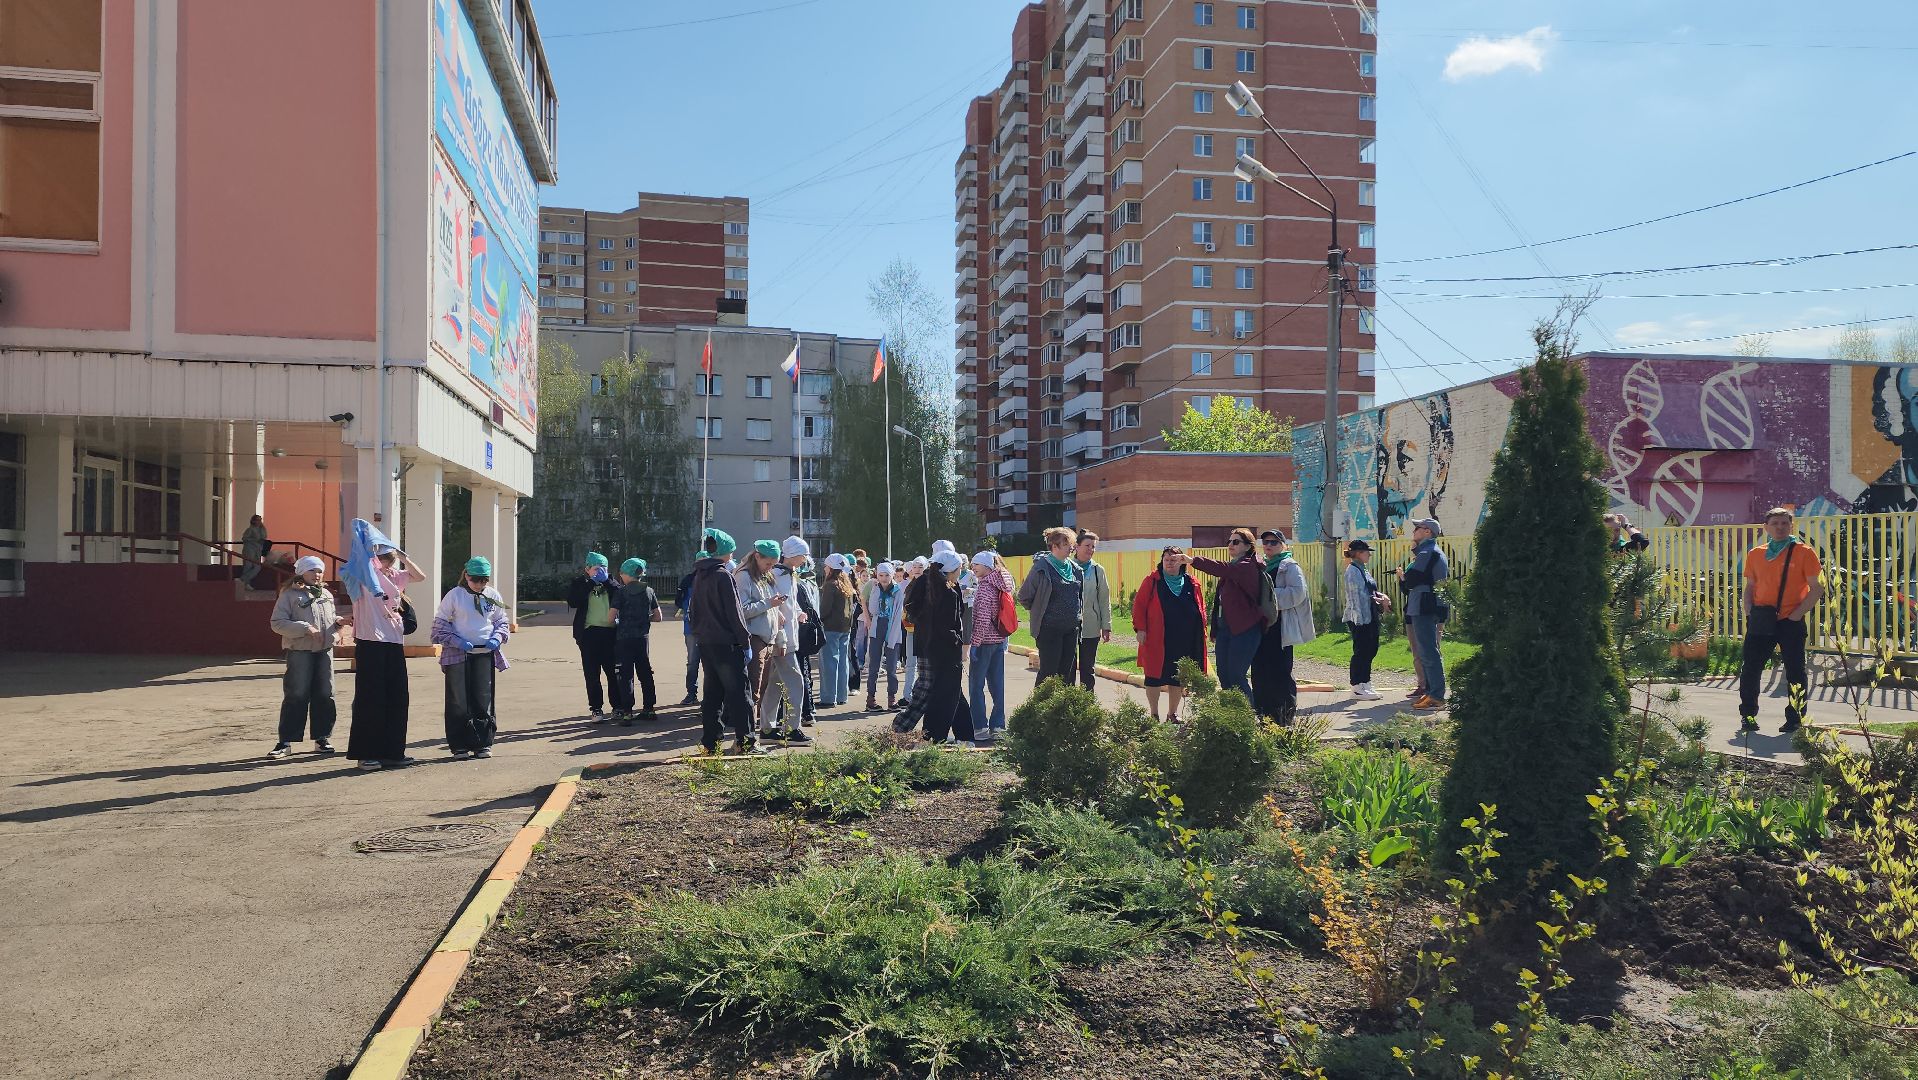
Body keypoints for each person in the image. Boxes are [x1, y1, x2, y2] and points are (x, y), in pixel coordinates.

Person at [342, 518, 426, 771]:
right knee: (371, 699)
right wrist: (367, 540)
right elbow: (358, 557)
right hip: (370, 642)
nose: (388, 563)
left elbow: (420, 576)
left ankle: (392, 751)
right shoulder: (360, 577)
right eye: (384, 558)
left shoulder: (395, 578)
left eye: (391, 559)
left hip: (393, 642)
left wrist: (403, 555)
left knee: (397, 697)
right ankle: (366, 753)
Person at [1739, 507, 1823, 734]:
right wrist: (1748, 610)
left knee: (1795, 670)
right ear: (1766, 528)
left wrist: (1796, 615)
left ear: (1791, 526)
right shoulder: (1755, 554)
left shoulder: (1804, 552)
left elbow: (1817, 588)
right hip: (1761, 619)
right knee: (1751, 668)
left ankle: (1795, 718)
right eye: (1774, 523)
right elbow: (1750, 587)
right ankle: (1747, 715)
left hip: (1790, 621)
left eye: (1784, 523)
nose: (1780, 527)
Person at [267, 554, 350, 758]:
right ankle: (285, 741)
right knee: (296, 695)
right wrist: (305, 628)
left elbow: (328, 619)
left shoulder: (326, 595)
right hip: (300, 651)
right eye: (312, 570)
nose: (317, 574)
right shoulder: (289, 595)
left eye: (320, 570)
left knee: (325, 694)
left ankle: (322, 739)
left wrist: (339, 622)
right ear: (301, 572)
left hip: (324, 652)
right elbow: (277, 623)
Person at [688, 529, 762, 755]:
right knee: (740, 694)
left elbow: (693, 611)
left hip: (707, 643)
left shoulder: (700, 574)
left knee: (712, 695)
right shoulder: (723, 575)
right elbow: (735, 612)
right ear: (726, 552)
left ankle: (710, 743)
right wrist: (745, 642)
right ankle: (746, 742)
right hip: (728, 644)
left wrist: (700, 635)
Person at [433, 556, 511, 759]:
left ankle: (483, 742)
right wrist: (455, 641)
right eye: (475, 579)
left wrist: (497, 637)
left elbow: (501, 620)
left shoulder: (492, 595)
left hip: (484, 653)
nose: (480, 584)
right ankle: (459, 744)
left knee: (483, 697)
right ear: (466, 575)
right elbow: (440, 622)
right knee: (458, 699)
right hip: (459, 654)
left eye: (484, 580)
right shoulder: (455, 595)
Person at [1188, 528, 1270, 700]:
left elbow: (1221, 569)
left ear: (1248, 547)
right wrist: (1215, 629)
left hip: (1245, 630)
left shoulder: (1247, 566)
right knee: (1224, 676)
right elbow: (1220, 602)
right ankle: (1230, 718)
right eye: (1229, 542)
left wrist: (1192, 560)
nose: (1230, 545)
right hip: (1227, 630)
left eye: (1236, 542)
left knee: (1236, 676)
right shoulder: (1234, 567)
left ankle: (1248, 719)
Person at [736, 539, 802, 743]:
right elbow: (743, 610)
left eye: (773, 564)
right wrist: (769, 604)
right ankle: (785, 731)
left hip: (770, 638)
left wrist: (780, 633)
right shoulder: (744, 577)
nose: (771, 568)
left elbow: (778, 609)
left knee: (772, 684)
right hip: (756, 638)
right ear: (757, 556)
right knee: (769, 686)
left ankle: (765, 729)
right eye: (768, 564)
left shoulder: (765, 575)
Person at [1133, 547, 1208, 723]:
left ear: (1182, 561)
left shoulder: (1192, 582)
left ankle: (1172, 714)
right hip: (1157, 638)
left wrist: (1202, 631)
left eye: (1174, 559)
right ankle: (1153, 714)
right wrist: (1140, 629)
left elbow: (1201, 607)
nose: (1169, 563)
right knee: (1154, 677)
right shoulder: (1152, 581)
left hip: (1185, 639)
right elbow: (1139, 606)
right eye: (1166, 559)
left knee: (1178, 677)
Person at [1252, 529, 1315, 723]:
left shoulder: (1289, 566)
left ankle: (1284, 715)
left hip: (1280, 627)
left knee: (1280, 670)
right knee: (1260, 670)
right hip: (1261, 626)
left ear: (1283, 545)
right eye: (1266, 542)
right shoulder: (1261, 565)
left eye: (1273, 542)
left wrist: (1269, 597)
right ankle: (1263, 713)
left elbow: (1298, 593)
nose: (1269, 545)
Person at [757, 537, 814, 744]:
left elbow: (789, 602)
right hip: (782, 639)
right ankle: (792, 729)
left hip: (787, 636)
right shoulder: (778, 574)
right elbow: (775, 604)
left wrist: (798, 612)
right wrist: (781, 631)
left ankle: (767, 728)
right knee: (796, 682)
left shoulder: (788, 574)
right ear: (794, 555)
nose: (805, 559)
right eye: (803, 555)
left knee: (775, 682)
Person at [920, 549, 975, 745]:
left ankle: (965, 735)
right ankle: (937, 737)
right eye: (960, 568)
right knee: (947, 697)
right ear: (953, 570)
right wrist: (958, 643)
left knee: (951, 693)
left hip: (933, 649)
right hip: (947, 651)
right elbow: (948, 626)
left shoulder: (931, 587)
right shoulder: (948, 592)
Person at [1017, 527, 1083, 685]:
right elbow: (1024, 596)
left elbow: (1079, 596)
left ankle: (1063, 708)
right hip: (1049, 629)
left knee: (1066, 673)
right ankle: (1039, 708)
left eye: (1071, 544)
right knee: (1048, 673)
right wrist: (1040, 610)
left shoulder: (1075, 569)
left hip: (1071, 629)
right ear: (1054, 546)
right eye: (1066, 544)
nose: (1071, 548)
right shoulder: (1041, 568)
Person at [1399, 517, 1451, 710]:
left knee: (1428, 652)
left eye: (1417, 528)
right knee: (1427, 651)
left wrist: (1404, 577)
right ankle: (1431, 693)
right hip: (1426, 605)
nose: (1414, 531)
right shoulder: (1429, 551)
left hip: (1424, 605)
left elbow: (1411, 580)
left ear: (1427, 532)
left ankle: (1436, 695)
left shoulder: (1427, 552)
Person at [967, 550, 1016, 741]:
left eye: (976, 564)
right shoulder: (1002, 584)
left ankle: (979, 727)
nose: (973, 567)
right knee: (997, 686)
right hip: (999, 641)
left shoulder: (985, 587)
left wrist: (975, 645)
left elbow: (981, 619)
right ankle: (998, 726)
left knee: (976, 686)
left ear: (987, 566)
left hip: (984, 642)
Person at [566, 552, 618, 721]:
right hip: (588, 634)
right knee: (592, 673)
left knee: (613, 672)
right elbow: (573, 601)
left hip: (610, 633)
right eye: (596, 569)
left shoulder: (611, 583)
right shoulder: (580, 583)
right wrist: (590, 584)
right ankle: (596, 708)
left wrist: (606, 581)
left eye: (603, 568)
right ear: (587, 569)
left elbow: (620, 595)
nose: (599, 572)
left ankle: (617, 706)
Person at [610, 557, 662, 725]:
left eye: (622, 573)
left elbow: (611, 617)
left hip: (624, 638)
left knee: (626, 675)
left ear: (627, 574)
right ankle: (649, 708)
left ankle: (627, 712)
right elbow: (658, 617)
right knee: (645, 672)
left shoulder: (621, 592)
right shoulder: (649, 591)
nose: (620, 576)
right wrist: (644, 619)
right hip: (642, 638)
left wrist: (618, 621)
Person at [1341, 540, 1388, 701]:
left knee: (1371, 649)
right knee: (1361, 650)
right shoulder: (1353, 571)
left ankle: (1365, 682)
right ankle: (1357, 685)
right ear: (1359, 553)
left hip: (1369, 615)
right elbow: (1355, 597)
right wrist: (1360, 620)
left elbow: (1369, 590)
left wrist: (1380, 597)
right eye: (1366, 551)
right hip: (1359, 617)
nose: (1369, 554)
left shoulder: (1363, 569)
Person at [1072, 530, 1114, 691]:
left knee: (1087, 668)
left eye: (1093, 547)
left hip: (1091, 626)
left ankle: (1086, 703)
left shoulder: (1098, 570)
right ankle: (1068, 703)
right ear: (1076, 547)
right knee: (1068, 668)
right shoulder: (1068, 567)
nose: (1090, 549)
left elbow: (1104, 599)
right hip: (1069, 626)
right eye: (1087, 546)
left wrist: (1106, 626)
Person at [861, 561, 905, 711]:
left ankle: (891, 699)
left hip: (893, 627)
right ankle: (870, 699)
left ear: (892, 575)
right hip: (877, 627)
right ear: (877, 575)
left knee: (892, 666)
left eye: (887, 575)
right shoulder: (875, 588)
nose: (884, 578)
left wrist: (893, 635)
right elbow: (873, 610)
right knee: (874, 665)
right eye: (881, 575)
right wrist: (875, 592)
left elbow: (898, 612)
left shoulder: (898, 590)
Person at [818, 553, 857, 708]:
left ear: (830, 568)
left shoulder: (830, 584)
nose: (825, 569)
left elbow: (825, 609)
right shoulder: (847, 585)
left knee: (829, 662)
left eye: (826, 566)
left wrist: (820, 619)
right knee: (842, 662)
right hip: (845, 627)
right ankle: (842, 695)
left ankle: (828, 698)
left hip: (830, 627)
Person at [900, 555, 928, 699]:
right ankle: (907, 695)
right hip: (910, 628)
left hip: (923, 630)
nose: (916, 570)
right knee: (910, 663)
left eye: (920, 567)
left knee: (923, 665)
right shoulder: (910, 585)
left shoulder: (929, 585)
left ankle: (919, 694)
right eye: (915, 567)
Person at [675, 565, 699, 705]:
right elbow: (679, 600)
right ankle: (691, 693)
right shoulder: (688, 580)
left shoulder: (714, 579)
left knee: (711, 666)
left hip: (710, 630)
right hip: (691, 629)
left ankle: (710, 698)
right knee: (692, 662)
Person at [240, 514, 272, 589]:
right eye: (257, 520)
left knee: (257, 567)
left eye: (260, 520)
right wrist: (255, 540)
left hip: (258, 550)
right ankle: (246, 583)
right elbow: (244, 538)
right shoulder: (250, 529)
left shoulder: (262, 529)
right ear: (253, 521)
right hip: (249, 549)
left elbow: (264, 537)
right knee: (248, 566)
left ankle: (242, 580)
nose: (259, 521)